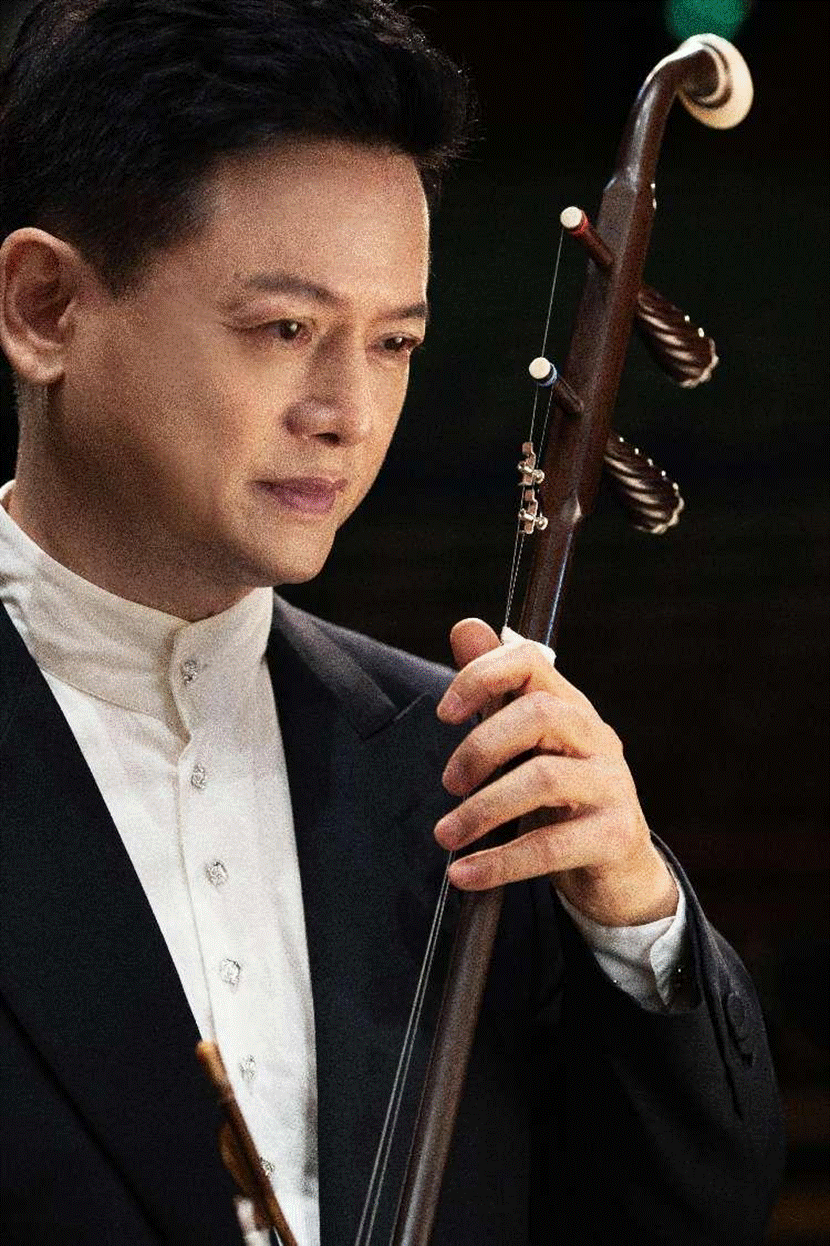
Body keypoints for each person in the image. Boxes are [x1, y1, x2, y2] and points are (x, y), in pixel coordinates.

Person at [0, 2, 784, 1243]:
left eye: (394, 342)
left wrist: (633, 921)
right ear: (46, 307)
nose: (348, 413)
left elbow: (683, 1216)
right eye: (286, 329)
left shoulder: (467, 770)